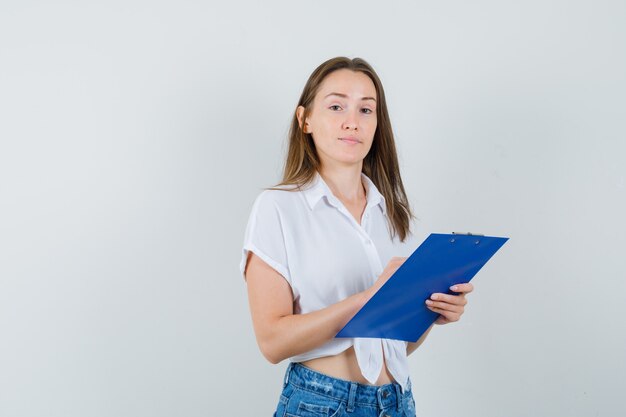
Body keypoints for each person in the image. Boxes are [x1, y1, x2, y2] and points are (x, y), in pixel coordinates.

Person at [240, 57, 474, 417]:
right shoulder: (278, 208)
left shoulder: (392, 214)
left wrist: (432, 309)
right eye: (336, 106)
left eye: (367, 109)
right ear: (305, 120)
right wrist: (367, 299)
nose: (353, 121)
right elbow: (272, 342)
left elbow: (394, 344)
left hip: (397, 402)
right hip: (321, 403)